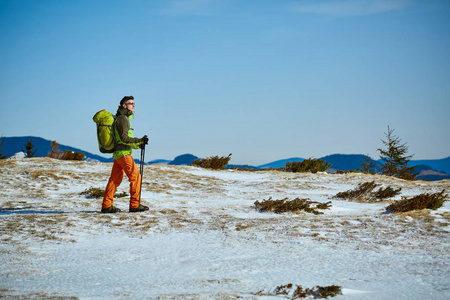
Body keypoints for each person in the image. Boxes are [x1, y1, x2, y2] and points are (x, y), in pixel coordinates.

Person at [101, 96, 149, 213]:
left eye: (134, 103)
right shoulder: (123, 119)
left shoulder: (122, 118)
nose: (133, 105)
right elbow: (124, 138)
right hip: (124, 154)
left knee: (114, 180)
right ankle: (134, 205)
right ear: (124, 105)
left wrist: (139, 144)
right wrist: (139, 141)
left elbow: (125, 139)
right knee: (136, 177)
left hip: (118, 154)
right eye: (131, 103)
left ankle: (107, 205)